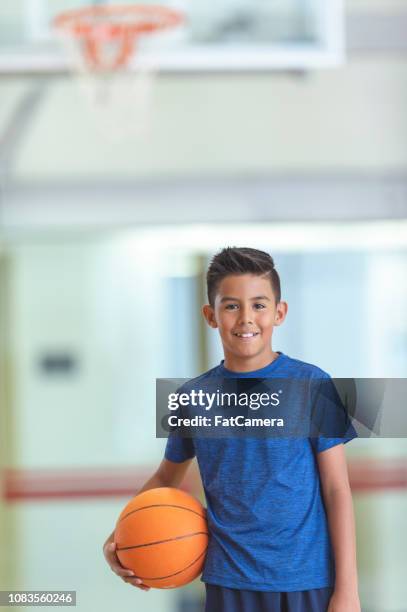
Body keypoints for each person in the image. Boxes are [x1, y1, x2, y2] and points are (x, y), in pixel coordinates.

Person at [103, 246, 361, 612]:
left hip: (307, 580)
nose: (246, 319)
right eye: (231, 306)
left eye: (258, 305)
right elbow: (165, 477)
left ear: (279, 312)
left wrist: (348, 590)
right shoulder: (191, 397)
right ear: (211, 315)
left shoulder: (313, 384)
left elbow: (337, 490)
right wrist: (118, 538)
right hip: (229, 581)